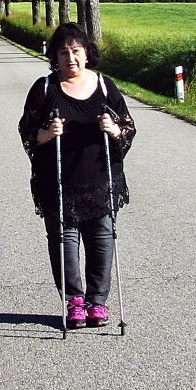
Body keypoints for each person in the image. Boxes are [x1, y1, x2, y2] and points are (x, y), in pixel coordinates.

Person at [17, 21, 136, 329]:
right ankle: (74, 301)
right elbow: (26, 130)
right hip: (57, 182)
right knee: (63, 242)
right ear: (54, 57)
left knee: (101, 240)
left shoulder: (105, 86)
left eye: (76, 51)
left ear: (87, 53)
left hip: (99, 179)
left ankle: (97, 302)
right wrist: (45, 133)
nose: (70, 59)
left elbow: (128, 126)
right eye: (63, 52)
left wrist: (114, 129)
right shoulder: (44, 88)